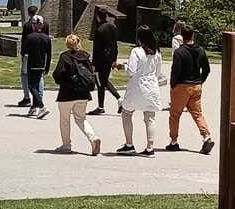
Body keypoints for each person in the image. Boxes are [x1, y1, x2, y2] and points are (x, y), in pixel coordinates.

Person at [117, 25, 164, 157]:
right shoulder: (157, 53)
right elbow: (158, 72)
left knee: (126, 113)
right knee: (150, 118)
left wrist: (123, 66)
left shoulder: (136, 51)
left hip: (138, 86)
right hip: (152, 87)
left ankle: (129, 144)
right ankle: (150, 147)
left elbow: (132, 71)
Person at [168, 25, 214, 154]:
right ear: (193, 35)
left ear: (182, 36)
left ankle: (174, 141)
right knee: (197, 114)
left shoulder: (179, 52)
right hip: (196, 86)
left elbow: (175, 70)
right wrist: (201, 81)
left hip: (182, 86)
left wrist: (173, 85)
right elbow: (207, 69)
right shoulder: (200, 50)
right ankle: (206, 136)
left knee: (175, 115)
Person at [53, 34, 101, 155]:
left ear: (67, 44)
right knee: (81, 119)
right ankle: (93, 138)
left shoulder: (65, 57)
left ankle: (66, 145)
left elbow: (58, 75)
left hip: (67, 94)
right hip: (83, 93)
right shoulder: (85, 57)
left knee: (65, 120)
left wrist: (62, 81)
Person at [88, 8, 121, 115]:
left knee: (100, 83)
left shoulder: (99, 30)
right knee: (104, 81)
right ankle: (118, 99)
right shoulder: (113, 27)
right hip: (110, 58)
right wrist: (114, 59)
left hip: (100, 60)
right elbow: (115, 45)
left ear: (98, 17)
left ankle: (101, 106)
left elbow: (96, 49)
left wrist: (93, 64)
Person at [21, 15, 52, 119]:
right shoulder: (47, 38)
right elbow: (49, 54)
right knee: (37, 85)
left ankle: (42, 106)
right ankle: (34, 107)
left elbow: (23, 51)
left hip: (32, 64)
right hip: (41, 65)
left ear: (34, 25)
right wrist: (47, 67)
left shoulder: (29, 37)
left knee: (32, 86)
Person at [19, 5, 49, 107]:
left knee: (26, 77)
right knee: (39, 78)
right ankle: (38, 97)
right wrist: (47, 65)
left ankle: (29, 98)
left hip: (30, 57)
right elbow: (48, 49)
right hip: (42, 56)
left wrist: (23, 55)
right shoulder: (46, 26)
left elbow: (24, 43)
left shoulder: (27, 26)